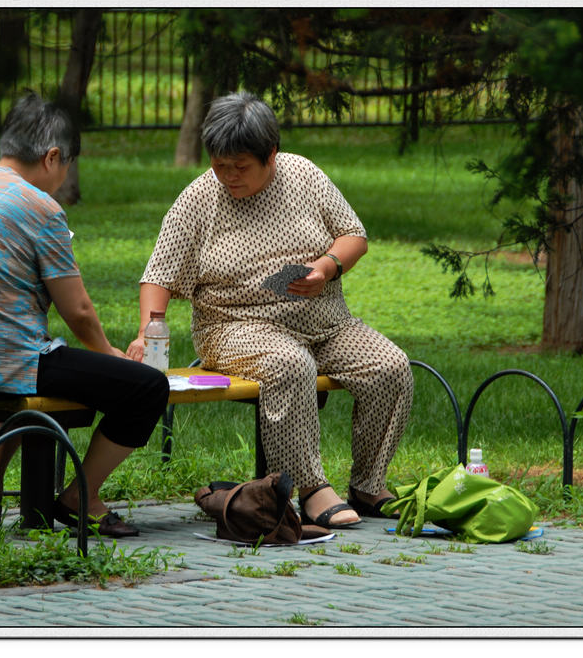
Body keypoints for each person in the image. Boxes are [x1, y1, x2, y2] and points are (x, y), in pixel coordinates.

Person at [128, 92, 413, 529]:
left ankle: (368, 484)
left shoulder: (303, 174)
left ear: (272, 155)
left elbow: (353, 235)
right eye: (220, 164)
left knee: (390, 367)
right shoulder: (198, 199)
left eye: (240, 166)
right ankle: (310, 489)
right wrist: (149, 330)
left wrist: (326, 267)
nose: (228, 175)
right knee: (289, 364)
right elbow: (159, 274)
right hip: (235, 327)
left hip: (325, 321)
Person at [0, 91, 169, 538]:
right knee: (147, 388)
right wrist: (109, 354)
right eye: (69, 162)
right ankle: (80, 497)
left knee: (21, 380)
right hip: (7, 362)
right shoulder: (39, 206)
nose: (66, 173)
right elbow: (78, 311)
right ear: (53, 156)